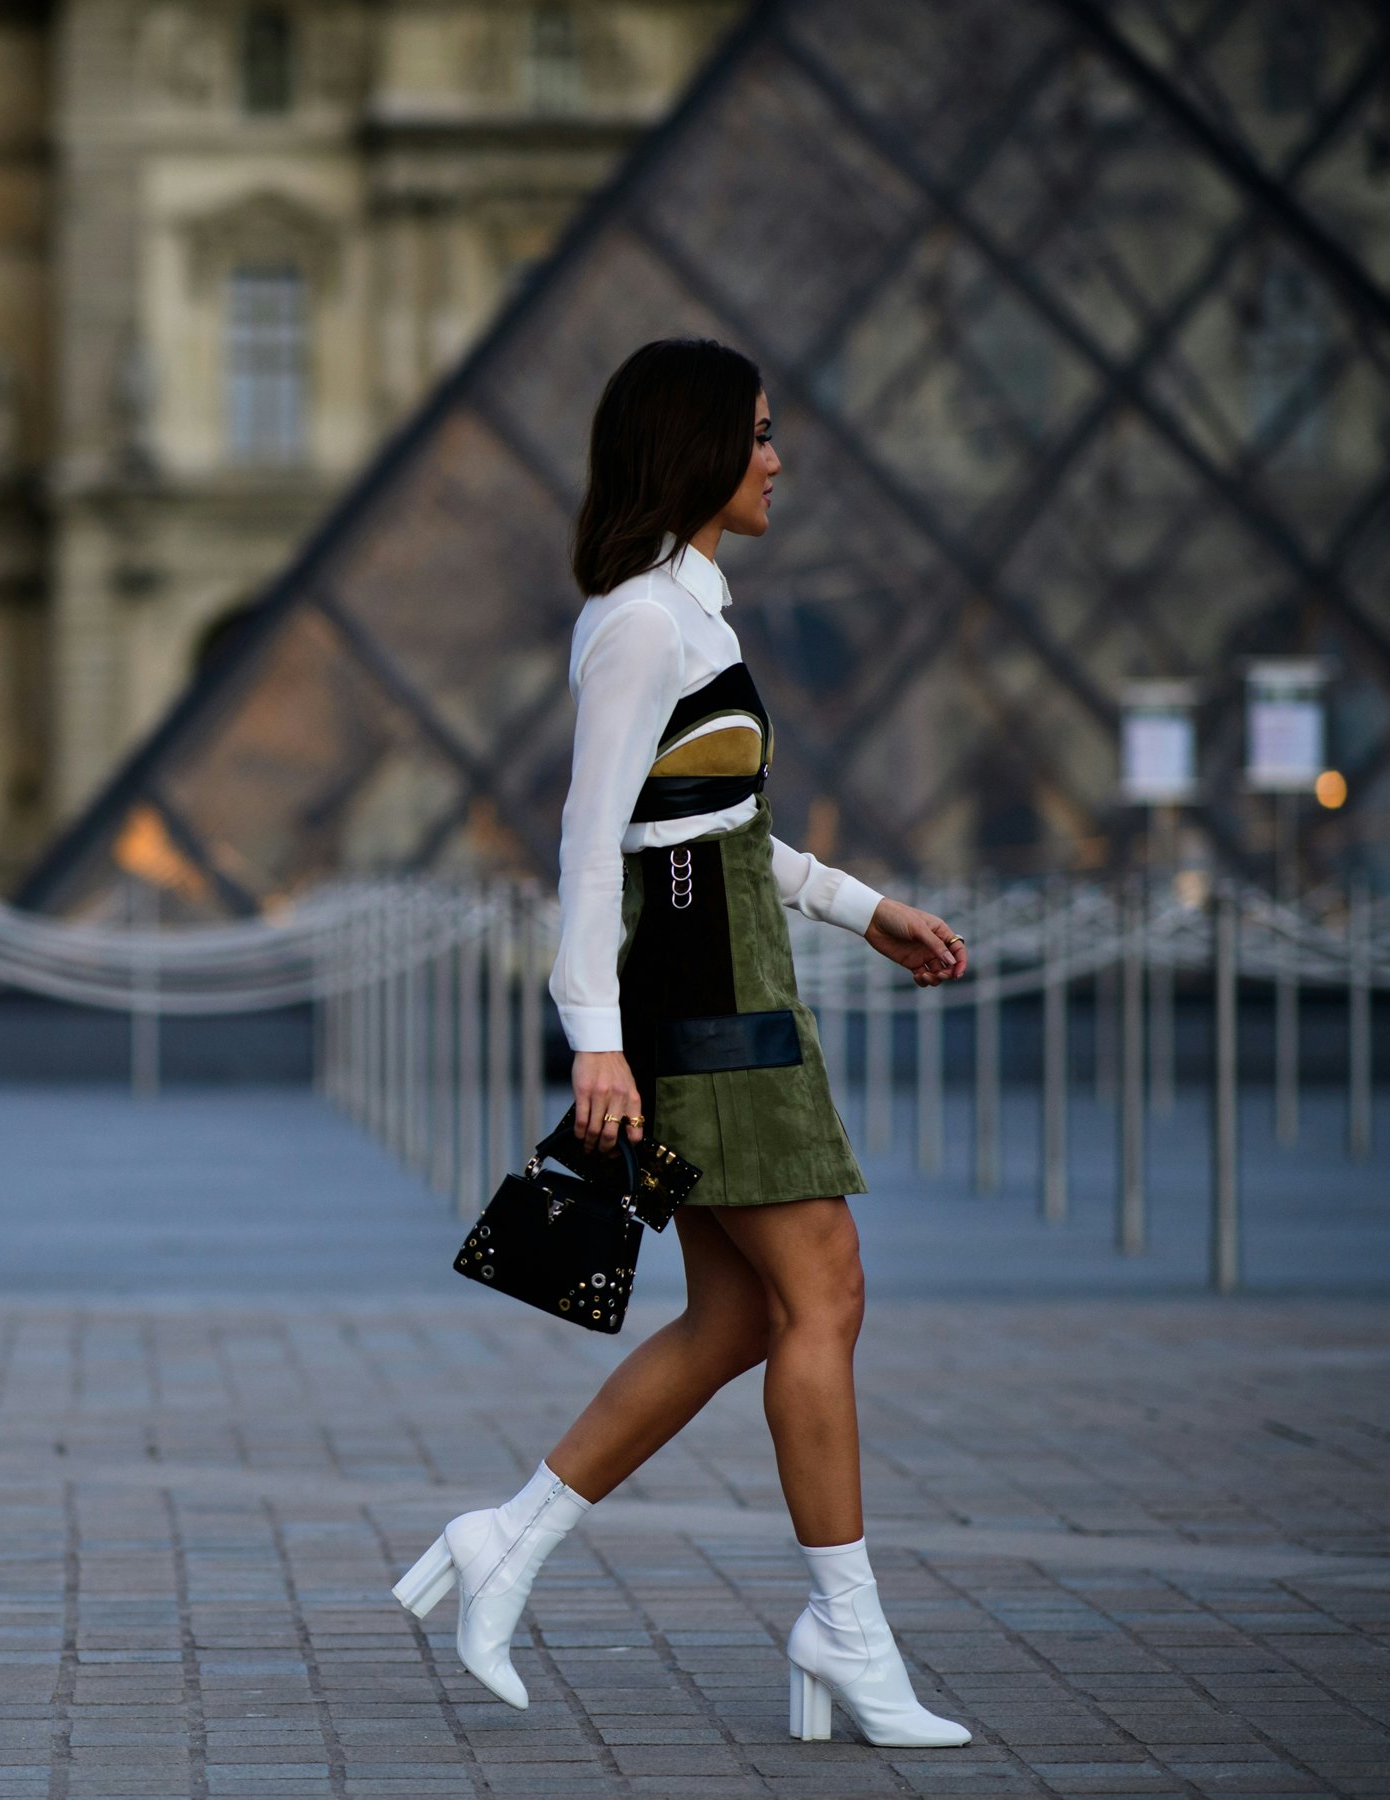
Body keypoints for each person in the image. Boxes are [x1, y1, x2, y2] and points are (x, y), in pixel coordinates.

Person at [390, 337, 975, 1749]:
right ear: (701, 445)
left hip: (733, 974)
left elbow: (719, 835)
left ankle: (508, 1540)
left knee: (737, 1319)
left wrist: (865, 908)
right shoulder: (647, 619)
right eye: (762, 434)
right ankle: (846, 1633)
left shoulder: (689, 613)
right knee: (822, 1295)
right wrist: (595, 1040)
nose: (779, 459)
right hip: (702, 1000)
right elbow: (593, 845)